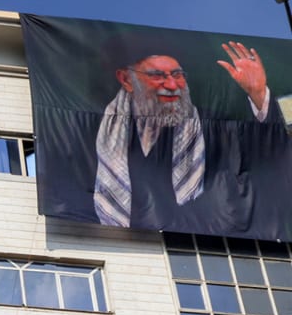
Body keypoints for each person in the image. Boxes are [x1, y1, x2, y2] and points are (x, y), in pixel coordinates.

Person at [50, 37, 292, 236]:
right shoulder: (92, 132)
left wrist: (258, 94)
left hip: (204, 248)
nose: (172, 84)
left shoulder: (212, 128)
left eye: (177, 75)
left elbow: (267, 154)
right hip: (126, 253)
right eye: (158, 75)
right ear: (127, 79)